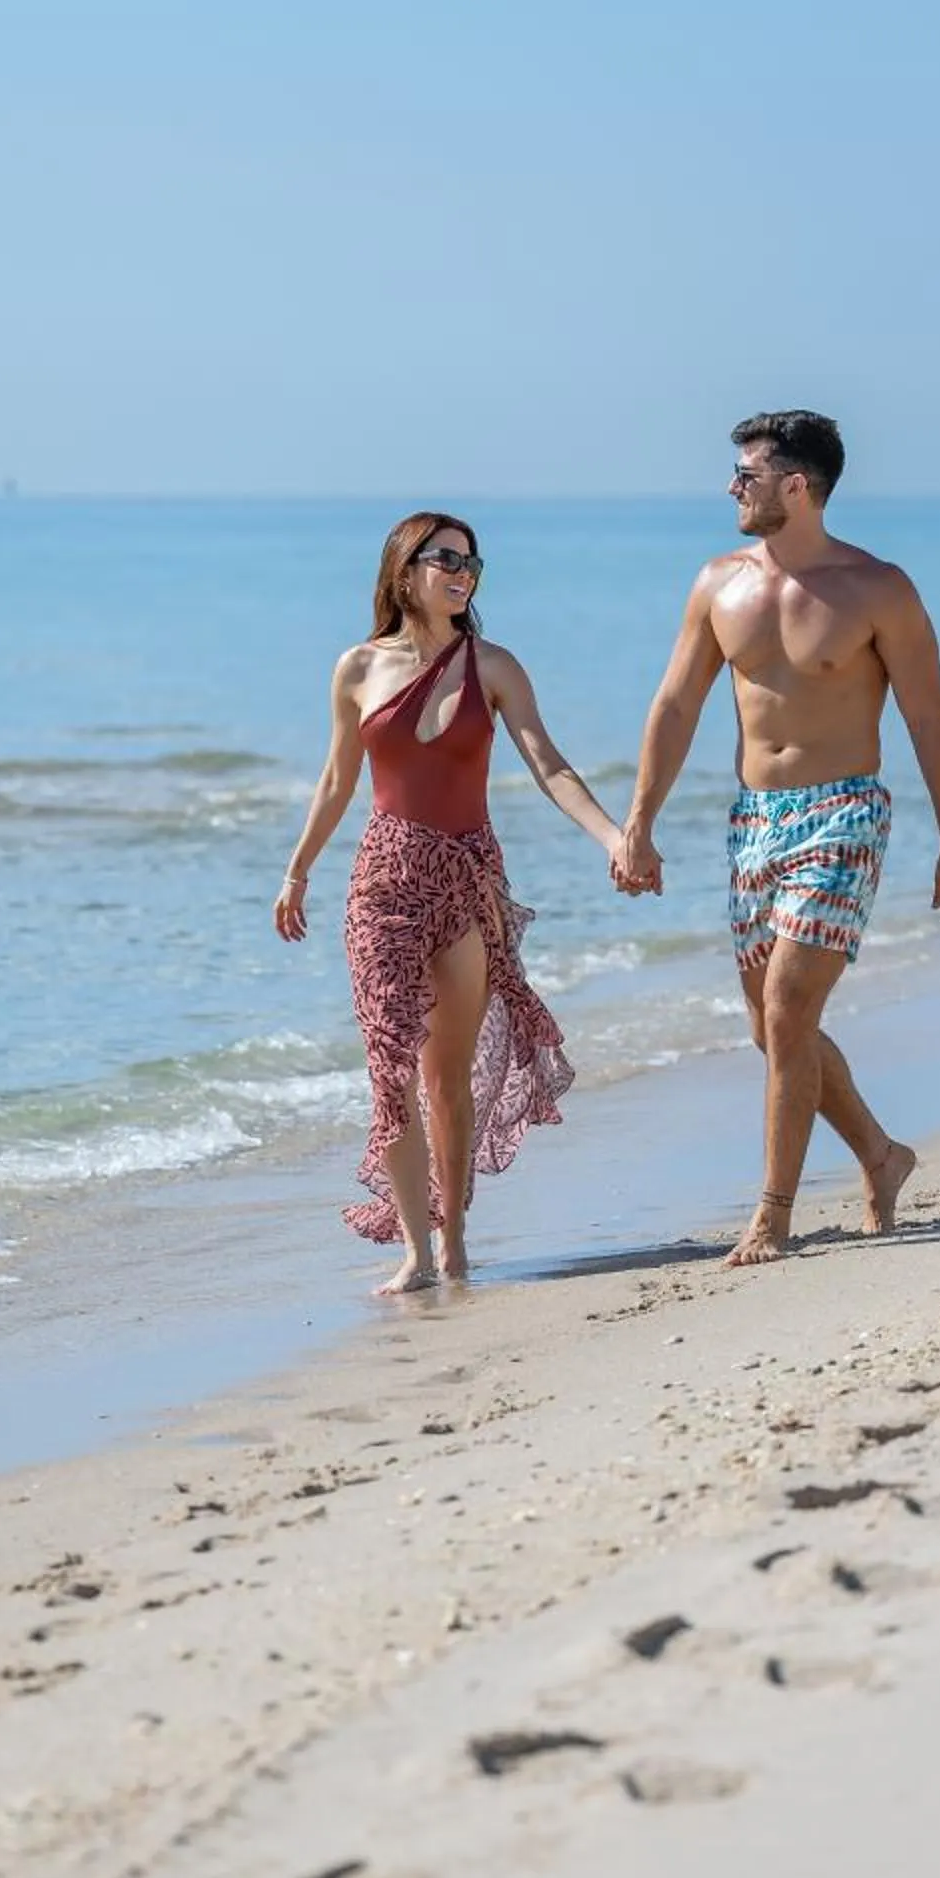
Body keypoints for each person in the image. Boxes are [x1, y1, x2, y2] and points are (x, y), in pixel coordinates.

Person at [614, 411, 940, 1266]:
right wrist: (640, 821)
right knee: (770, 1028)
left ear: (797, 486)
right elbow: (675, 706)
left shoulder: (877, 588)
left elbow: (928, 715)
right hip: (754, 818)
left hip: (846, 811)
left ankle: (771, 1214)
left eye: (747, 473)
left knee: (786, 1009)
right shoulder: (717, 583)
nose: (731, 487)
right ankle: (883, 1158)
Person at [275, 512, 623, 1295]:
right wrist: (297, 870)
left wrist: (610, 835)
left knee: (445, 1079)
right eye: (447, 560)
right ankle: (416, 1253)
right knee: (389, 1067)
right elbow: (337, 781)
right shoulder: (358, 668)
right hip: (383, 887)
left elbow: (549, 763)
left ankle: (456, 1243)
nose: (464, 573)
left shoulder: (493, 666)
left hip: (467, 885)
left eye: (473, 563)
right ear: (406, 571)